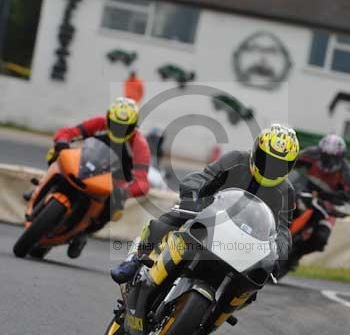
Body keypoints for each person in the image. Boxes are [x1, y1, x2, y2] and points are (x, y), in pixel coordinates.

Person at [111, 123, 299, 301]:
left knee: (252, 285)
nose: (270, 168)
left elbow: (282, 228)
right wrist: (192, 198)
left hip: (246, 238)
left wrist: (278, 252)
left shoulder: (286, 191)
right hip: (209, 214)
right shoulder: (236, 160)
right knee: (170, 219)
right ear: (256, 152)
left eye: (279, 165)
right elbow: (202, 177)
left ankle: (207, 322)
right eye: (267, 160)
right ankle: (135, 259)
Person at [48, 97, 151, 258]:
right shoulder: (98, 123)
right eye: (116, 124)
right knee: (55, 154)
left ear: (134, 126)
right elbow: (68, 132)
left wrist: (125, 191)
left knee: (115, 207)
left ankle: (84, 232)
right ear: (108, 118)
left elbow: (143, 182)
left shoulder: (140, 144)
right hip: (84, 165)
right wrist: (62, 142)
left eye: (125, 127)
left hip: (112, 182)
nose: (119, 130)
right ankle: (41, 187)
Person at [290, 133, 350, 266]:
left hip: (327, 204)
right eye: (325, 157)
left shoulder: (347, 173)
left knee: (321, 238)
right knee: (284, 205)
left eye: (332, 158)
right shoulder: (312, 154)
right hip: (304, 192)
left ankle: (296, 255)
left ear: (341, 157)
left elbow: (348, 198)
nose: (327, 162)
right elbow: (290, 162)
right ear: (320, 152)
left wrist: (332, 204)